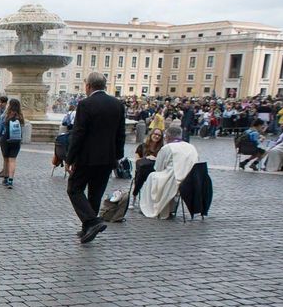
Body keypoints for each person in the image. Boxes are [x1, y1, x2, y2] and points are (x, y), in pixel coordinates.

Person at [65, 72, 126, 244]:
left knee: (74, 189)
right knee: (95, 193)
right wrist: (117, 156)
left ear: (88, 86)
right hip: (108, 158)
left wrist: (70, 158)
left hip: (87, 157)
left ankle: (92, 222)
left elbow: (79, 133)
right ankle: (87, 228)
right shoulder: (117, 104)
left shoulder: (85, 104)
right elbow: (121, 133)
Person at [139, 125, 199, 219]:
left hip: (173, 179)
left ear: (167, 136)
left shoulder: (168, 147)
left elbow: (158, 167)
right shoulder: (191, 147)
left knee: (152, 176)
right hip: (190, 179)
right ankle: (170, 208)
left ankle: (151, 206)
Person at [0, 98, 25, 189]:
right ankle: (10, 180)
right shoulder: (20, 117)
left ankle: (5, 177)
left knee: (6, 159)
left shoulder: (5, 116)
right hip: (16, 140)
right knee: (12, 160)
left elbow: (0, 129)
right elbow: (23, 130)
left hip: (6, 139)